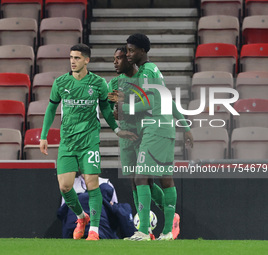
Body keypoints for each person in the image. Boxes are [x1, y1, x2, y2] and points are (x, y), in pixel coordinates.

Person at [39, 44, 137, 241]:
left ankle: (93, 229)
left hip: (89, 142)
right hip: (67, 142)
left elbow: (106, 111)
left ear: (86, 60)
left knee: (92, 184)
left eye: (76, 58)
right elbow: (51, 109)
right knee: (65, 187)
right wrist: (44, 136)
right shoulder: (60, 83)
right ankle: (80, 217)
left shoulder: (98, 83)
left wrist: (117, 129)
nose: (72, 61)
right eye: (71, 58)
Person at [114, 34, 193, 241]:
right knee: (164, 178)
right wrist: (184, 125)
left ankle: (143, 231)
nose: (128, 54)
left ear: (142, 51)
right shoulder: (154, 70)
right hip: (164, 127)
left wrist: (125, 109)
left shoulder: (147, 72)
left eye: (131, 50)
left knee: (141, 177)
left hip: (155, 128)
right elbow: (166, 98)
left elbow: (149, 102)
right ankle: (167, 231)